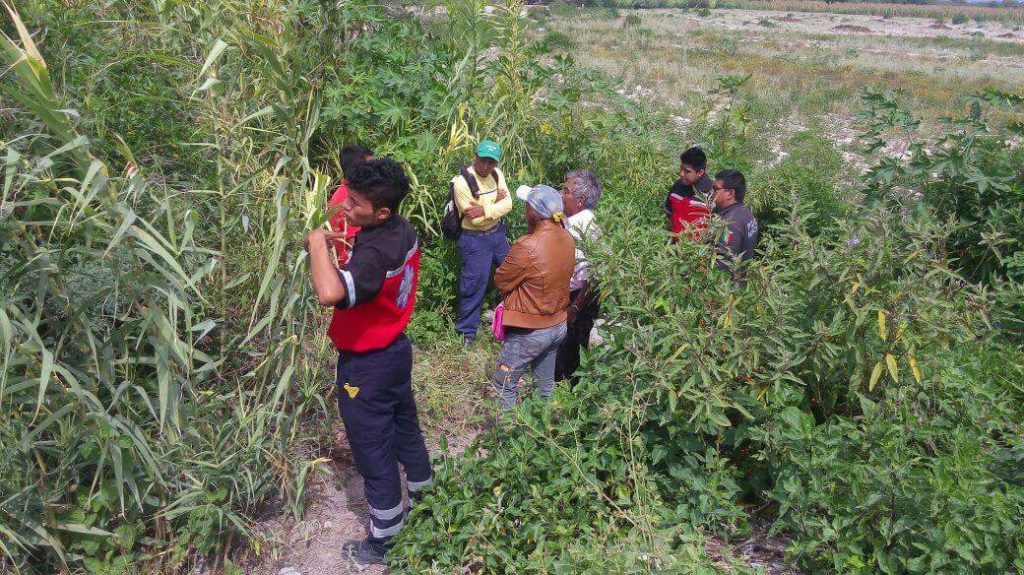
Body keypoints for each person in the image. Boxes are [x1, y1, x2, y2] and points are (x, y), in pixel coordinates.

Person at [304, 158, 432, 568]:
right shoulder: (403, 229)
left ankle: (384, 539)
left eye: (354, 203)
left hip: (367, 365)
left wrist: (316, 245)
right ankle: (426, 497)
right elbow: (364, 243)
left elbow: (329, 292)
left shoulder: (374, 258)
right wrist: (344, 236)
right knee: (404, 426)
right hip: (396, 350)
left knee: (373, 448)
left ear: (381, 211)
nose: (345, 208)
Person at [492, 185, 575, 410]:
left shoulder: (527, 246)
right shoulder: (567, 237)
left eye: (527, 205)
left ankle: (506, 441)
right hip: (558, 325)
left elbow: (501, 280)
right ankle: (544, 436)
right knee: (545, 386)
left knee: (504, 383)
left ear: (533, 212)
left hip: (530, 330)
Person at [452, 140, 513, 346]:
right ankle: (466, 334)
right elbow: (474, 219)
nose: (486, 166)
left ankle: (513, 325)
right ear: (475, 155)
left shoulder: (497, 174)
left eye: (491, 162)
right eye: (483, 160)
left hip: (497, 235)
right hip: (474, 240)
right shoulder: (461, 182)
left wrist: (485, 208)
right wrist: (496, 202)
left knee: (514, 275)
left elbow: (509, 204)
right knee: (473, 285)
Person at [554, 170, 602, 385]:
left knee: (571, 348)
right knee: (561, 347)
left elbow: (593, 277)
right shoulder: (569, 220)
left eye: (566, 191)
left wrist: (575, 308)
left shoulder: (584, 227)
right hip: (570, 294)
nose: (561, 194)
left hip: (581, 298)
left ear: (580, 200)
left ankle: (570, 397)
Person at [327, 145, 374, 265]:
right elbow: (355, 245)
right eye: (371, 167)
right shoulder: (350, 198)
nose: (375, 171)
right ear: (357, 170)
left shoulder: (346, 192)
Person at [711, 169, 759, 277]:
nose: (712, 192)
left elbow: (722, 264)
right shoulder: (746, 213)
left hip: (727, 288)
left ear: (730, 193)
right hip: (741, 282)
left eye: (715, 189)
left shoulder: (730, 223)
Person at [665, 146, 714, 241]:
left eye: (687, 171)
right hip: (675, 247)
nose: (681, 174)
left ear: (700, 172)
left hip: (699, 252)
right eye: (681, 168)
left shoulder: (711, 193)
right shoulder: (677, 186)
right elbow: (669, 213)